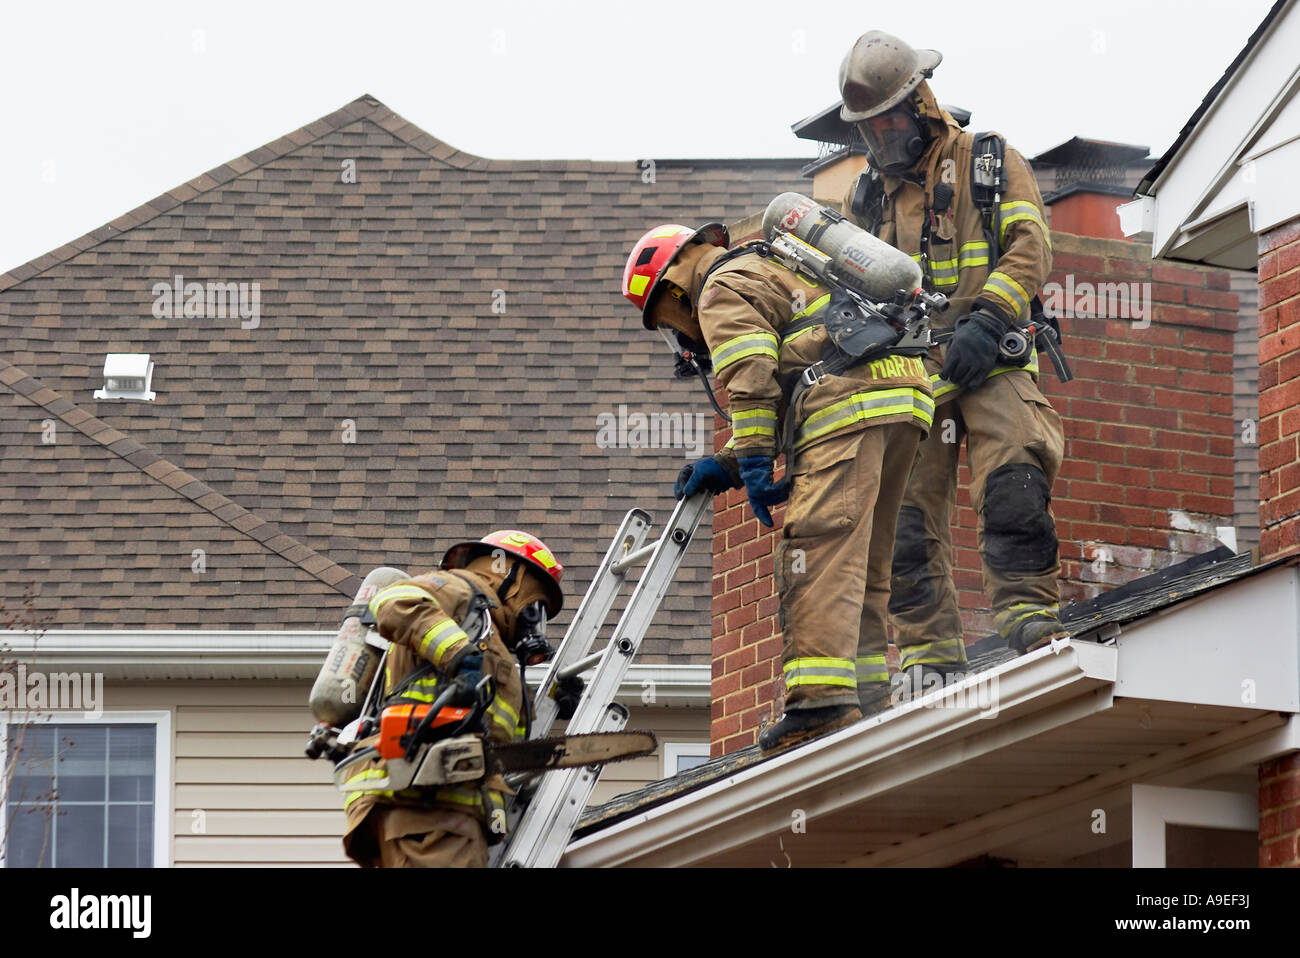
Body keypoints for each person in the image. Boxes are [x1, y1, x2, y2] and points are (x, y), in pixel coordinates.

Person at [621, 222, 934, 750]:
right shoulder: (778, 265)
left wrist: (754, 463)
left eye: (667, 319)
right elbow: (806, 369)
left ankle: (821, 703)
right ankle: (867, 691)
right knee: (865, 559)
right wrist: (729, 463)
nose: (681, 333)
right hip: (903, 400)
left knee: (817, 550)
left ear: (674, 283)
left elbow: (752, 380)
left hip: (847, 409)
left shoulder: (719, 287)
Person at [836, 30, 1068, 695]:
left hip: (990, 356)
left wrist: (988, 319)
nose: (881, 135)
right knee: (904, 516)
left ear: (920, 102)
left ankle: (1027, 613)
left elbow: (1029, 247)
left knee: (1014, 478)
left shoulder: (988, 162)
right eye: (869, 126)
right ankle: (930, 654)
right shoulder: (868, 199)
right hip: (911, 372)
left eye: (888, 119)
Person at [339, 530, 564, 867]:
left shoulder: (495, 649)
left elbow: (508, 747)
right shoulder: (463, 589)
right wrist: (457, 654)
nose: (535, 618)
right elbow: (393, 602)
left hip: (448, 811)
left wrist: (559, 698)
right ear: (510, 576)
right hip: (426, 804)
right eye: (537, 602)